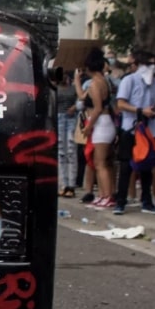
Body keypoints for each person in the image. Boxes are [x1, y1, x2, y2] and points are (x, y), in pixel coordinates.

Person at [112, 49, 155, 215]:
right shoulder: (129, 80)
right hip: (131, 128)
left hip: (150, 130)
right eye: (149, 64)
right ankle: (121, 201)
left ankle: (146, 201)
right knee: (126, 166)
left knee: (147, 166)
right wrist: (140, 110)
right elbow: (121, 104)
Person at [78, 48, 116, 208]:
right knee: (100, 162)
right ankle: (103, 195)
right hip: (106, 123)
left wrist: (89, 127)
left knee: (100, 163)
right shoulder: (104, 81)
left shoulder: (95, 84)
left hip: (101, 124)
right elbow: (82, 96)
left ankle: (107, 196)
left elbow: (98, 108)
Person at [54, 68, 78, 197]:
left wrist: (75, 107)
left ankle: (71, 185)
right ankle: (63, 184)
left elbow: (80, 101)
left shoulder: (73, 88)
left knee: (71, 150)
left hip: (71, 119)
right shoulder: (54, 89)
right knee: (61, 152)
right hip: (59, 118)